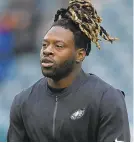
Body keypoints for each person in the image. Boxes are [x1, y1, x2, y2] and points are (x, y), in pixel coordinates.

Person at [7, 0, 130, 142]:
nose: (47, 51)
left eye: (58, 46)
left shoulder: (106, 99)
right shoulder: (23, 102)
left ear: (80, 54)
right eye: (44, 45)